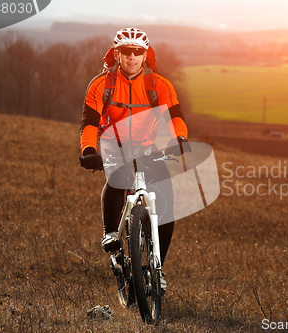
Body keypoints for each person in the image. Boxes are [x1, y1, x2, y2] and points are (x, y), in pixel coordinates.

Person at [79, 27, 189, 293]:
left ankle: (157, 269)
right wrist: (88, 150)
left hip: (147, 148)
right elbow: (89, 122)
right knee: (117, 180)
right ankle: (110, 233)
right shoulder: (101, 84)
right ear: (116, 54)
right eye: (126, 51)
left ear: (145, 54)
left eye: (137, 51)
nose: (132, 56)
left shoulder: (159, 85)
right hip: (112, 146)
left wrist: (181, 139)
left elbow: (175, 116)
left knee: (167, 204)